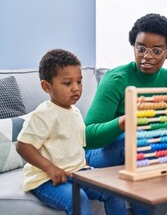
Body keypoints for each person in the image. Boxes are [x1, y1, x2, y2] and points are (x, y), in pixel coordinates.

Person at [84, 13, 167, 215]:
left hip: (153, 142)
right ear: (134, 46)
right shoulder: (116, 79)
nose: (146, 56)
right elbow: (87, 137)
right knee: (140, 138)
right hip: (105, 150)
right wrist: (122, 122)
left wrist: (165, 142)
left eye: (156, 51)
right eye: (140, 49)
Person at [16, 49, 126, 215]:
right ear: (47, 86)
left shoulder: (75, 112)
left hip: (77, 173)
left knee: (113, 191)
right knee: (78, 199)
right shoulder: (44, 113)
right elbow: (22, 146)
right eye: (68, 83)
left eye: (79, 82)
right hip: (46, 179)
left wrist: (86, 166)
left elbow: (74, 146)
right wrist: (50, 168)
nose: (76, 88)